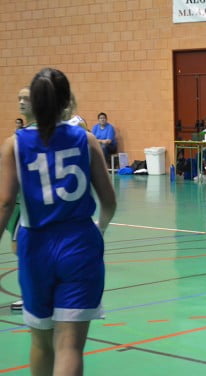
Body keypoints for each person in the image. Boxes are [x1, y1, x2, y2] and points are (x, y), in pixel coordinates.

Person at [0, 68, 116, 375]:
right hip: (79, 243)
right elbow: (109, 201)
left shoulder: (14, 144)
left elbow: (5, 202)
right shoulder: (87, 140)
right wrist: (99, 230)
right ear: (68, 100)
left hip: (35, 246)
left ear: (33, 104)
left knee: (41, 343)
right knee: (69, 347)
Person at [8, 88, 35, 312]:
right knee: (20, 249)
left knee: (22, 249)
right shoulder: (16, 140)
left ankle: (31, 295)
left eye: (26, 98)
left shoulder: (26, 140)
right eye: (19, 98)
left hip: (26, 209)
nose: (21, 102)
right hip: (18, 207)